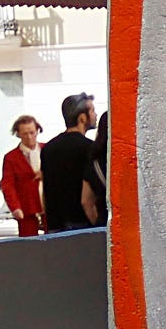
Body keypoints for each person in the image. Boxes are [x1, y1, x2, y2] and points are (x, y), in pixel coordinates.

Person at [40, 92, 105, 232]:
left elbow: (44, 190)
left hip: (55, 225)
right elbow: (88, 197)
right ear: (82, 118)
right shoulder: (90, 148)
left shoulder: (48, 148)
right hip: (82, 224)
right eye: (92, 110)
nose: (95, 115)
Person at [0, 114, 44, 237]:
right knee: (29, 246)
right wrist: (15, 207)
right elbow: (8, 185)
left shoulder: (47, 149)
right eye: (25, 134)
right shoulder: (11, 158)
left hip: (49, 206)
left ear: (37, 131)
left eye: (32, 132)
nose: (29, 137)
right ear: (18, 134)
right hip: (26, 209)